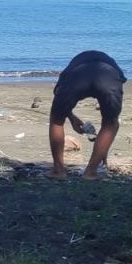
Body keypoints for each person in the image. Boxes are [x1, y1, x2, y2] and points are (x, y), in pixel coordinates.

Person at [48, 51, 125, 180]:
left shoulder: (69, 70)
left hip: (77, 76)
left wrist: (69, 115)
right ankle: (91, 172)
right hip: (109, 76)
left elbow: (58, 94)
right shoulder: (112, 65)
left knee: (57, 120)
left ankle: (58, 170)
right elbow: (110, 123)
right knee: (110, 123)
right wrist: (73, 118)